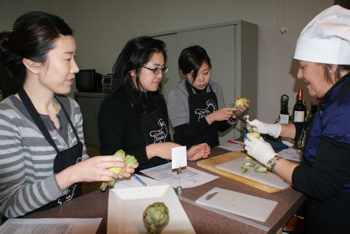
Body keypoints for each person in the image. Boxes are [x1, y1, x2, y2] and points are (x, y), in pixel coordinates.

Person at [0, 12, 137, 219]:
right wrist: (73, 175)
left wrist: (110, 170)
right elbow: (10, 204)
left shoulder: (71, 108)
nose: (76, 68)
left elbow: (81, 161)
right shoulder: (7, 118)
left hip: (74, 217)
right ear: (32, 64)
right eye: (67, 59)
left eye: (74, 57)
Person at [244, 5, 350, 233]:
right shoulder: (338, 95)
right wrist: (273, 129)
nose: (299, 75)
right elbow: (314, 128)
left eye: (303, 67)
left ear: (330, 65)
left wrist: (269, 159)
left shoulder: (346, 106)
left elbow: (320, 184)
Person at [98, 36, 210, 170]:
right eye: (154, 69)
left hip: (162, 174)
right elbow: (110, 159)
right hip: (133, 182)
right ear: (133, 69)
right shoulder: (113, 107)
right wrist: (152, 151)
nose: (160, 75)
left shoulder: (156, 99)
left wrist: (184, 154)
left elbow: (163, 141)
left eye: (162, 69)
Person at [167, 45, 249, 148]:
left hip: (212, 151)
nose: (201, 79)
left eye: (205, 73)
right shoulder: (177, 95)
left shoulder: (215, 88)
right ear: (183, 73)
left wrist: (234, 115)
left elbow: (221, 127)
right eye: (194, 75)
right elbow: (182, 135)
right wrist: (212, 117)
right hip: (188, 156)